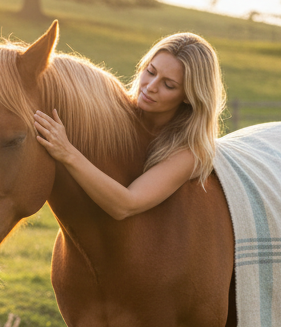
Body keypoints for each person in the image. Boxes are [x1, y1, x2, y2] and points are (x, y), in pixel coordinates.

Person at [33, 32, 226, 220]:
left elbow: (126, 205)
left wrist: (67, 152)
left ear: (188, 96)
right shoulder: (118, 111)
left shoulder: (190, 151)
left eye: (168, 85)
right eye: (150, 72)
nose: (150, 86)